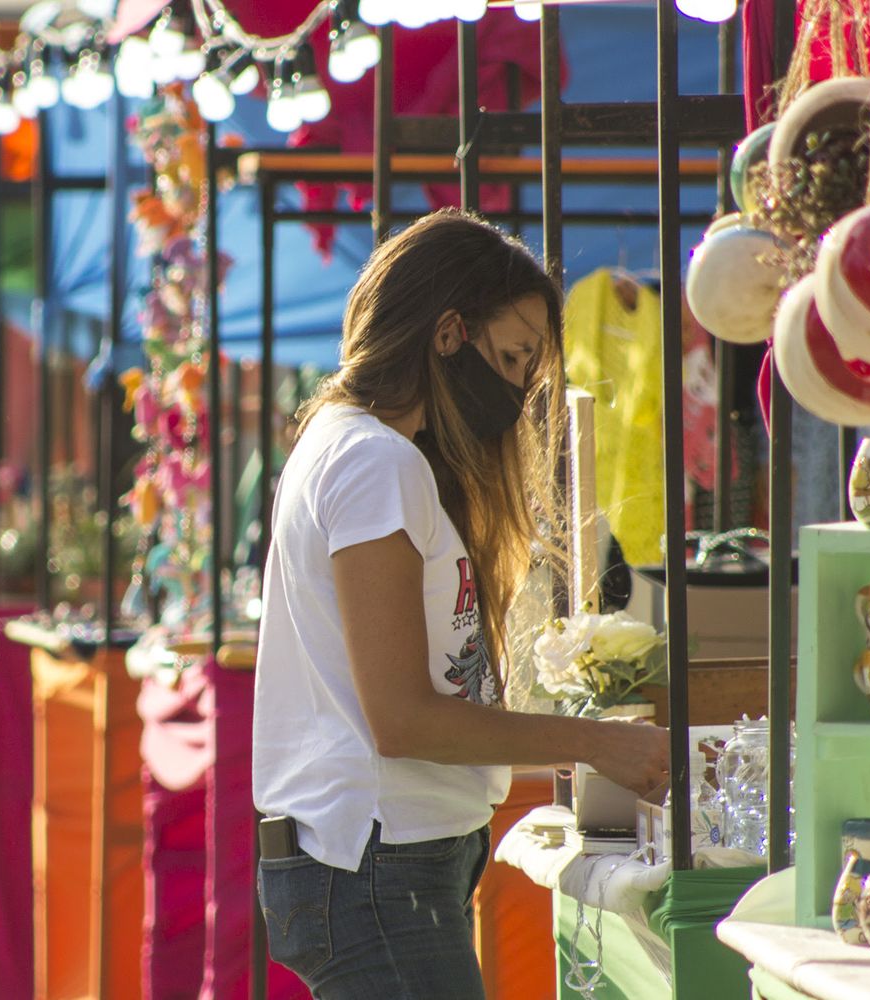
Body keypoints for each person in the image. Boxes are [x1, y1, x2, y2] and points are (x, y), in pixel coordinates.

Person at [251, 210, 671, 998]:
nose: (517, 390)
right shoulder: (374, 461)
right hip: (377, 869)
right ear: (448, 335)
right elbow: (404, 719)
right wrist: (593, 743)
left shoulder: (364, 449)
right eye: (513, 359)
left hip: (383, 866)